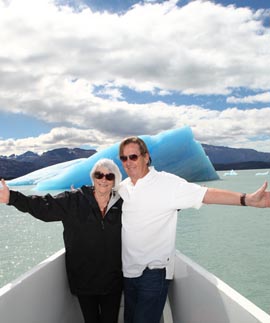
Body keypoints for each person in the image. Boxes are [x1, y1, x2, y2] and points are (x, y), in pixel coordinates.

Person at [117, 136, 270, 323]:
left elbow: (205, 195)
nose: (128, 162)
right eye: (123, 158)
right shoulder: (123, 187)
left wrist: (247, 199)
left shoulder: (167, 184)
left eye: (133, 156)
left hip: (153, 272)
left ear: (146, 157)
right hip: (129, 272)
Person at [0, 158, 123, 323]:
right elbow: (45, 207)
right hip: (84, 281)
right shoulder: (74, 200)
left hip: (112, 281)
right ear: (92, 177)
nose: (103, 180)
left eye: (109, 176)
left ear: (115, 180)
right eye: (99, 174)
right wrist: (12, 198)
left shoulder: (121, 205)